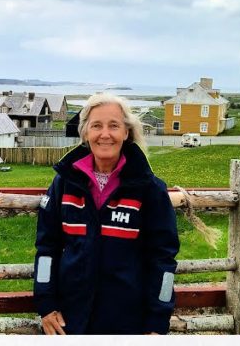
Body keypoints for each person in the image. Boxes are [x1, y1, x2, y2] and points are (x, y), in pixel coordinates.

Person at [34, 93, 180, 335]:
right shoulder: (63, 184)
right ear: (85, 133)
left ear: (126, 132)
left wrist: (157, 321)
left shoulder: (149, 189)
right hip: (70, 321)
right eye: (96, 126)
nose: (105, 134)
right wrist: (46, 305)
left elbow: (163, 262)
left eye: (114, 126)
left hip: (127, 323)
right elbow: (46, 250)